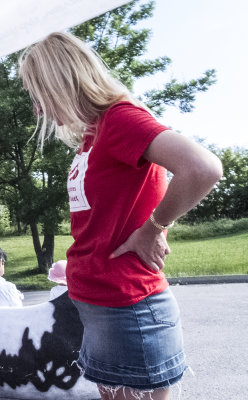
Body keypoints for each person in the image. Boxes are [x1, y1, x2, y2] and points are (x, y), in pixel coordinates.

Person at [18, 32, 223, 400]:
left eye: (38, 95)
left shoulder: (120, 119)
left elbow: (202, 167)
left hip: (128, 305)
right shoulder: (92, 135)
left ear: (61, 82)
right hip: (99, 303)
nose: (37, 110)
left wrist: (154, 229)